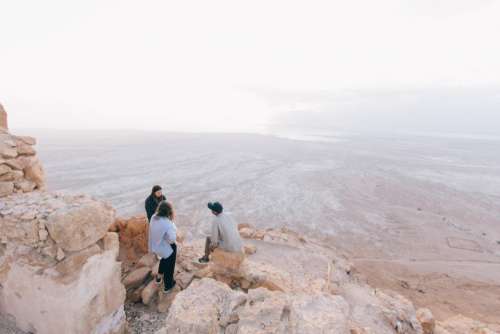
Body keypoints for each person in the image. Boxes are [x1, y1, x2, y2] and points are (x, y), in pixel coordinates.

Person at [149, 201, 177, 292]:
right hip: (164, 248)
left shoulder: (154, 217)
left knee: (164, 259)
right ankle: (168, 285)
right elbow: (172, 239)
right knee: (170, 264)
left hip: (155, 246)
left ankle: (159, 277)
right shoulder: (168, 223)